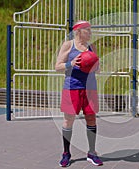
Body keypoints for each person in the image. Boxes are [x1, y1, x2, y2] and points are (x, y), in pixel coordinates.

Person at [55, 20, 103, 167]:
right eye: (87, 30)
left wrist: (95, 66)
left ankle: (92, 152)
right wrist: (71, 63)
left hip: (90, 88)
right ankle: (66, 153)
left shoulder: (91, 47)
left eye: (90, 30)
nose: (90, 33)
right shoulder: (68, 45)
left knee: (91, 119)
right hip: (72, 87)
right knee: (69, 120)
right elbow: (57, 66)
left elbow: (98, 69)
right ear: (78, 31)